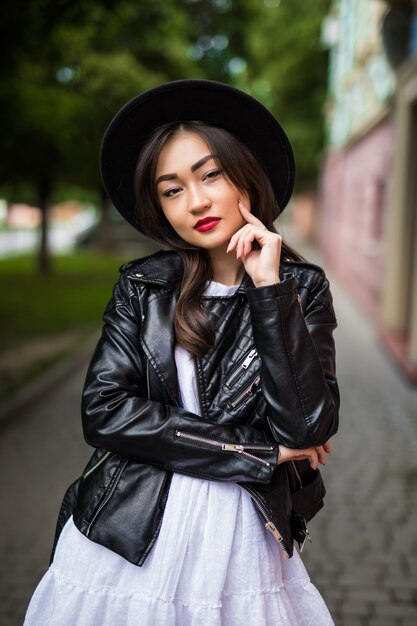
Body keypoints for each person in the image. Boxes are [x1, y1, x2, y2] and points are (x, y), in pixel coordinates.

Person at [24, 79, 339, 625]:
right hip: (129, 531)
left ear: (246, 173)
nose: (195, 202)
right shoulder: (143, 287)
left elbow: (306, 428)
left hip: (241, 541)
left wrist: (269, 292)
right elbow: (104, 410)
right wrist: (252, 453)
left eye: (210, 174)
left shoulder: (300, 289)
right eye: (171, 190)